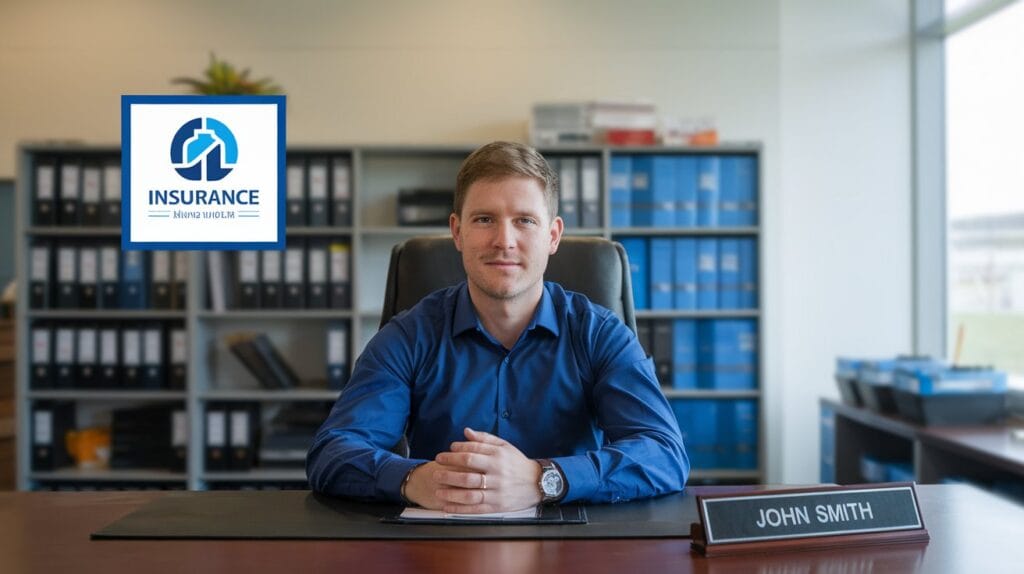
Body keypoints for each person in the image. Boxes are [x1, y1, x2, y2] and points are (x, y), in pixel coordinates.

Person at [307, 141, 688, 513]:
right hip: (438, 546)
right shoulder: (410, 335)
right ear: (457, 231)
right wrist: (412, 479)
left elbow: (665, 455)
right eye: (484, 219)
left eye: (524, 221)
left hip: (572, 544)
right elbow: (333, 451)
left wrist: (546, 479)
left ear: (552, 235)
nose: (504, 241)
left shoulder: (599, 334)